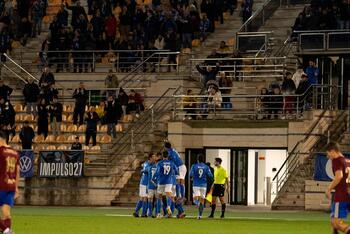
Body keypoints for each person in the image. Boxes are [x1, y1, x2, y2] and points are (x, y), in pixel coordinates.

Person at [325, 142, 350, 234]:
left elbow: (339, 176)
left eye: (328, 153)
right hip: (348, 194)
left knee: (336, 223)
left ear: (332, 151)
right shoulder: (347, 161)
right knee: (333, 220)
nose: (328, 156)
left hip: (341, 197)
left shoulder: (336, 160)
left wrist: (329, 188)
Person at [0, 130, 20, 234]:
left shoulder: (0, 151)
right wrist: (16, 187)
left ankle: (7, 230)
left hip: (1, 184)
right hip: (11, 185)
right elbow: (18, 171)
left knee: (5, 213)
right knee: (6, 213)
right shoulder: (15, 152)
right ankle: (6, 230)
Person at [152, 151, 178, 218]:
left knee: (159, 197)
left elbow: (157, 172)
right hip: (169, 181)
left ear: (162, 156)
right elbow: (176, 172)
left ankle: (158, 213)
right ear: (168, 155)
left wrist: (153, 179)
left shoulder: (159, 163)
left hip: (161, 181)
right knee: (168, 194)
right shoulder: (172, 163)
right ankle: (168, 206)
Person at [164, 142, 186, 217]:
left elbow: (169, 162)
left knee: (174, 195)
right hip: (182, 166)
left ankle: (181, 196)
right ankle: (181, 212)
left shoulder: (169, 153)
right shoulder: (173, 150)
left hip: (179, 167)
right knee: (180, 184)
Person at [190, 154, 213, 219]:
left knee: (195, 198)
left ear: (197, 159)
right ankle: (200, 215)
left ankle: (197, 203)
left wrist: (193, 177)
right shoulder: (206, 167)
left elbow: (190, 174)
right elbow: (210, 176)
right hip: (203, 185)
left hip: (196, 184)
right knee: (202, 200)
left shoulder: (194, 166)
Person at [133, 153, 152, 218]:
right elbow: (145, 170)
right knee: (145, 198)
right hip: (145, 183)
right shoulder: (148, 164)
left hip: (143, 182)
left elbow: (143, 169)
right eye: (153, 157)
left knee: (142, 198)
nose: (155, 158)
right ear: (150, 158)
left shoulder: (146, 163)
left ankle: (136, 211)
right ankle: (143, 213)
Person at [147, 153, 159, 218]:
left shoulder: (158, 166)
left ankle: (157, 213)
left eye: (155, 157)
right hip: (151, 186)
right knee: (150, 199)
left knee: (157, 199)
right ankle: (150, 213)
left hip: (156, 186)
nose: (155, 158)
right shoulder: (149, 166)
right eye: (154, 156)